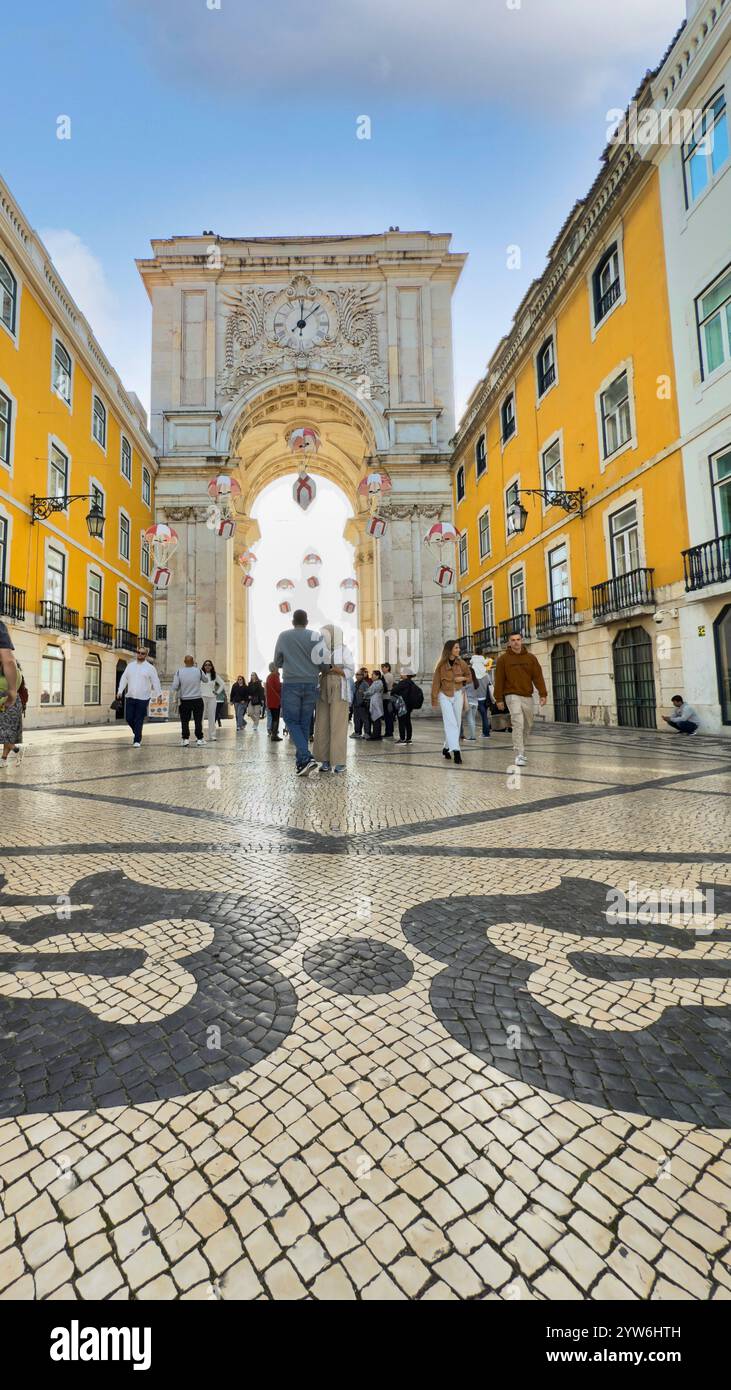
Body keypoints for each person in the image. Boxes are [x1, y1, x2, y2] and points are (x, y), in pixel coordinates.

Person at [274, 609, 327, 776]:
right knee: (304, 723)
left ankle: (306, 757)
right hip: (311, 683)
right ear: (307, 621)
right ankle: (301, 764)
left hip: (291, 683)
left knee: (290, 720)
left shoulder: (284, 636)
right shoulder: (316, 637)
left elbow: (277, 661)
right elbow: (324, 664)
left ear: (292, 621)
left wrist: (289, 662)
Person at [493, 631, 547, 766]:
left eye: (518, 639)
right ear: (509, 643)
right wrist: (498, 698)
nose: (516, 642)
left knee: (528, 724)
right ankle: (519, 753)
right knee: (518, 722)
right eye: (513, 640)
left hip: (527, 695)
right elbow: (499, 680)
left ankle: (521, 747)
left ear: (521, 641)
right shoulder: (503, 660)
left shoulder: (531, 658)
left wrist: (543, 694)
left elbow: (538, 677)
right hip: (512, 695)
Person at [313, 624, 353, 773]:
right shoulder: (320, 651)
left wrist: (335, 669)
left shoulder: (344, 650)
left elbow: (351, 670)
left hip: (339, 686)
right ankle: (325, 761)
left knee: (338, 725)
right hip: (323, 685)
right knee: (322, 723)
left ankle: (340, 761)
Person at [432, 640, 472, 764]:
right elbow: (436, 683)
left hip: (458, 693)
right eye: (456, 648)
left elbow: (470, 677)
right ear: (449, 649)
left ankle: (446, 748)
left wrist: (463, 679)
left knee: (457, 723)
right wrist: (434, 699)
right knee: (451, 723)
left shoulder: (462, 663)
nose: (459, 650)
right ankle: (456, 751)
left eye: (458, 647)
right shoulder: (441, 665)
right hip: (445, 695)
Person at [116, 646, 162, 747]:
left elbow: (155, 681)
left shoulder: (150, 668)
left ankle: (137, 740)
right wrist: (120, 691)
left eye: (142, 653)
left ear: (146, 655)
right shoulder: (130, 666)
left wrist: (159, 694)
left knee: (139, 719)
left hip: (143, 697)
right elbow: (124, 678)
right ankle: (137, 732)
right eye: (138, 652)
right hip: (130, 696)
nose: (139, 655)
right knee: (129, 718)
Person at [0, 619, 21, 771]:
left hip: (9, 705)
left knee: (6, 735)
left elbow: (22, 691)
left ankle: (4, 758)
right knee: (6, 735)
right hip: (9, 702)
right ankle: (15, 750)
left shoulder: (16, 675)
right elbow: (8, 660)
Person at [172, 655, 205, 746]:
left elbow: (175, 686)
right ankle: (199, 738)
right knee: (198, 720)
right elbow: (205, 680)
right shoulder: (198, 670)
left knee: (185, 721)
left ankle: (185, 739)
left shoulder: (179, 672)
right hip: (197, 699)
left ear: (184, 661)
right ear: (193, 661)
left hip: (185, 700)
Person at [391, 668, 423, 744]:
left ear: (406, 675)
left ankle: (402, 739)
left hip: (403, 705)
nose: (401, 675)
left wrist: (395, 686)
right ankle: (408, 739)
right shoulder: (411, 683)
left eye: (402, 673)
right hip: (409, 705)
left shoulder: (403, 682)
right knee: (407, 722)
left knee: (401, 722)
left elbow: (393, 691)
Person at [200, 659, 226, 742]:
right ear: (204, 666)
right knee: (201, 717)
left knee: (212, 717)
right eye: (206, 665)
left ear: (211, 667)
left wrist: (217, 692)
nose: (207, 666)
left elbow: (222, 684)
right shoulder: (201, 674)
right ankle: (200, 735)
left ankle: (212, 735)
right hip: (202, 697)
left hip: (212, 698)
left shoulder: (214, 675)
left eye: (209, 665)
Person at [350, 669, 371, 738]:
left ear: (362, 676)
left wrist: (365, 702)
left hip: (362, 704)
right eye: (356, 674)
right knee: (356, 719)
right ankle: (357, 732)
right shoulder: (355, 683)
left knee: (365, 719)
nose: (357, 676)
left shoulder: (365, 684)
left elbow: (368, 694)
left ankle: (367, 733)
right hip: (355, 704)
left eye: (359, 675)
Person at [365, 669, 385, 739]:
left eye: (373, 675)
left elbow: (371, 691)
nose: (371, 676)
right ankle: (376, 734)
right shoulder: (375, 682)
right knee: (375, 719)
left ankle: (376, 735)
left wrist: (364, 693)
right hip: (374, 702)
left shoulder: (378, 683)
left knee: (376, 718)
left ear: (377, 676)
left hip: (376, 703)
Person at [463, 663, 481, 741]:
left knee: (470, 720)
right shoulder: (476, 682)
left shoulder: (468, 682)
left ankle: (472, 737)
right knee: (472, 719)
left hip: (469, 702)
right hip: (475, 703)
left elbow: (461, 691)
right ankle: (472, 735)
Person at [266, 664, 282, 740]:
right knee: (276, 718)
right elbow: (278, 688)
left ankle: (273, 733)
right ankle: (274, 735)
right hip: (276, 700)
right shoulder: (275, 676)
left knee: (273, 718)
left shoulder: (268, 676)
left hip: (270, 701)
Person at [381, 662, 396, 739]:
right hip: (387, 696)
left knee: (388, 716)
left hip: (387, 697)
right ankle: (389, 731)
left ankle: (389, 732)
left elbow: (384, 685)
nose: (382, 669)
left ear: (387, 668)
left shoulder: (387, 675)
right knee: (389, 716)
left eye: (383, 667)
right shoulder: (389, 675)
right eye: (382, 667)